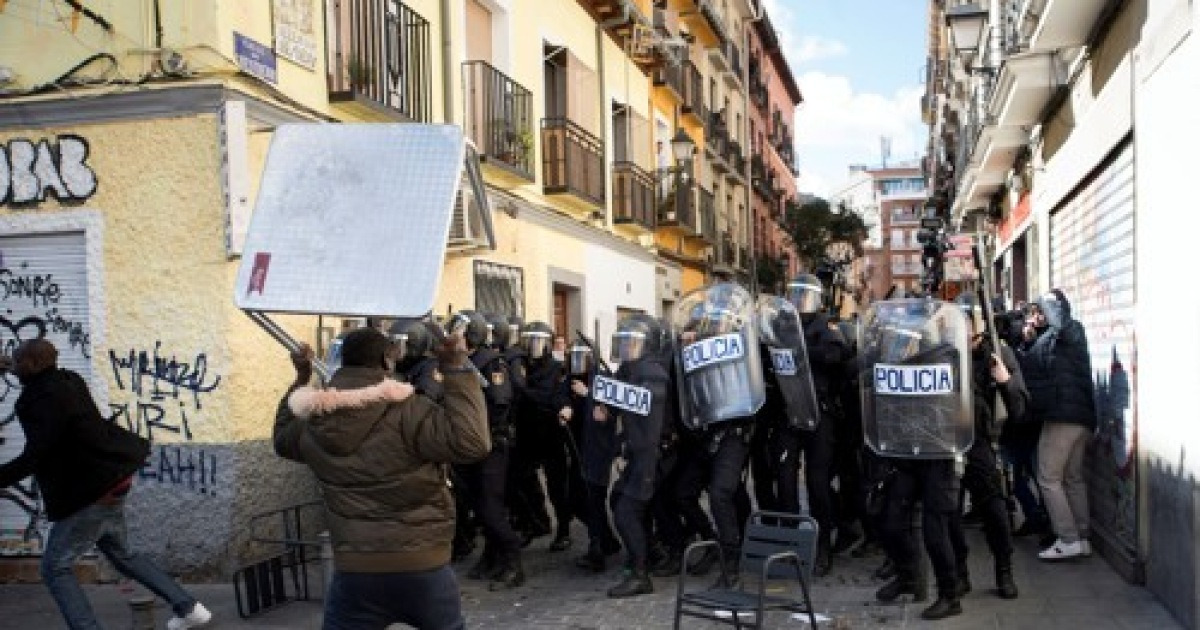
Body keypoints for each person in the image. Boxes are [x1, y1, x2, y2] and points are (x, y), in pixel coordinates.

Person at [274, 326, 490, 629]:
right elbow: (472, 443)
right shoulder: (410, 410)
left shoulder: (315, 419)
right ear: (387, 362)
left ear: (342, 362)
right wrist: (456, 368)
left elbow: (282, 439)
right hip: (422, 561)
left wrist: (301, 377)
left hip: (356, 569)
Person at [0, 339, 212, 630]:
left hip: (87, 494)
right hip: (111, 481)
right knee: (123, 554)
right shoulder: (69, 380)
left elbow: (38, 453)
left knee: (54, 568)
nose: (14, 364)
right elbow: (38, 379)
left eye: (18, 360)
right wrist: (11, 366)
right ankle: (189, 609)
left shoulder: (38, 399)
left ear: (33, 365)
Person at [949, 294, 1028, 600]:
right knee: (947, 512)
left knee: (994, 510)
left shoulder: (998, 353)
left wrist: (1005, 380)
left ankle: (1004, 570)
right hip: (948, 440)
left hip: (980, 442)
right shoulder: (946, 353)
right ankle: (959, 574)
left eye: (968, 323)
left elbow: (1020, 408)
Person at [1019, 290, 1097, 560]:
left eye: (1039, 311)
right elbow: (1033, 367)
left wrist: (1047, 300)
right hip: (1079, 418)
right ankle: (1082, 538)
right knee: (1072, 478)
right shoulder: (1054, 337)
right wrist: (1029, 342)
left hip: (1063, 418)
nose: (1036, 316)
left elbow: (1060, 321)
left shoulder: (1068, 330)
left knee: (1048, 477)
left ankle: (1067, 538)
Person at [602, 315, 672, 598]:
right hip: (639, 453)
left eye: (634, 343)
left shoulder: (652, 373)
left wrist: (644, 461)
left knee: (626, 512)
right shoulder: (631, 371)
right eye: (626, 342)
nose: (628, 348)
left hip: (650, 455)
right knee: (619, 500)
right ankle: (649, 553)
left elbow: (649, 423)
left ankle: (640, 574)